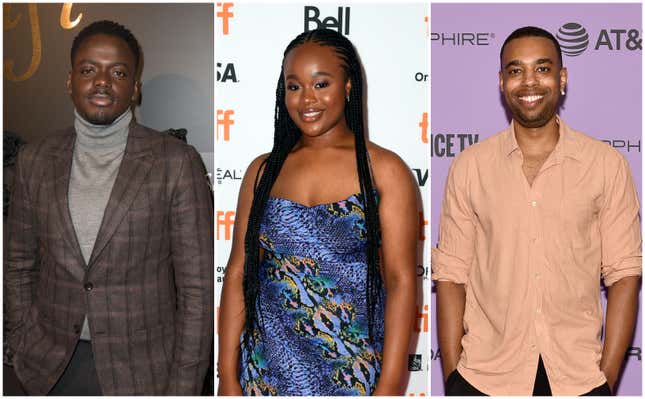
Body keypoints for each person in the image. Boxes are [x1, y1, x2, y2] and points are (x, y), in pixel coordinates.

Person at [4, 20, 214, 395]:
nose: (102, 81)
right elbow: (17, 264)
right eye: (88, 70)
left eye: (117, 72)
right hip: (50, 371)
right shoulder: (34, 160)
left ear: (134, 88)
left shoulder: (175, 162)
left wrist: (184, 386)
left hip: (144, 374)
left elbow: (197, 290)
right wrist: (20, 341)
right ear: (70, 81)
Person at [432, 26, 641, 396]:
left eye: (542, 69)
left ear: (562, 79)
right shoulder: (471, 166)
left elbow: (624, 273)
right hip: (484, 377)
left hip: (578, 379)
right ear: (501, 82)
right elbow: (451, 274)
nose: (529, 82)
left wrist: (605, 381)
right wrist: (452, 379)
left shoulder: (606, 165)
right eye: (516, 71)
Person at [217, 28, 418, 396]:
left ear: (348, 86)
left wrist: (389, 385)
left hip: (352, 374)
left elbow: (401, 282)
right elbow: (237, 275)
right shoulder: (263, 171)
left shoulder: (385, 170)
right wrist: (227, 377)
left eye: (321, 83)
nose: (306, 99)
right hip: (263, 373)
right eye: (294, 87)